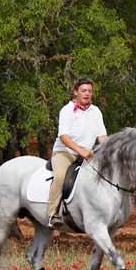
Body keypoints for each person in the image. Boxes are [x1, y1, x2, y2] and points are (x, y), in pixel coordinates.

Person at [47, 77, 107, 228]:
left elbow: (102, 137)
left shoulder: (96, 111)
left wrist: (109, 151)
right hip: (64, 152)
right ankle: (53, 214)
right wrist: (80, 150)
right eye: (83, 91)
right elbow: (63, 136)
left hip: (88, 154)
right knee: (60, 176)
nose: (87, 94)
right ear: (75, 92)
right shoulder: (66, 110)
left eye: (89, 91)